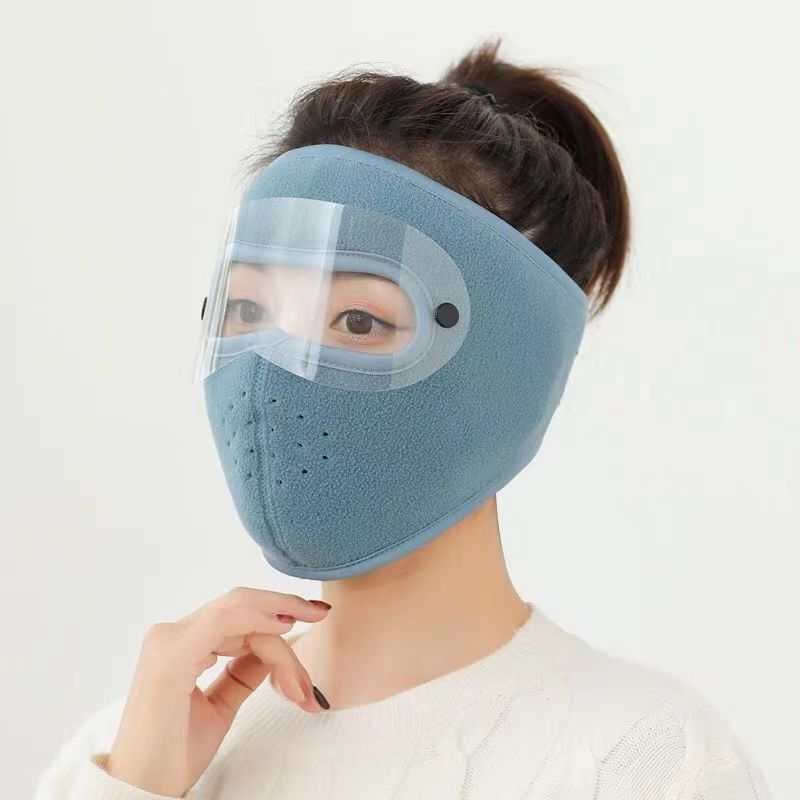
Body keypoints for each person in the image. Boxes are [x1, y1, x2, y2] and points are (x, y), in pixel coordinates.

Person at [35, 41, 770, 800]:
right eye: (248, 312)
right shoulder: (132, 745)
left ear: (511, 369)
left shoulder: (643, 761)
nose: (270, 377)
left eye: (359, 320)